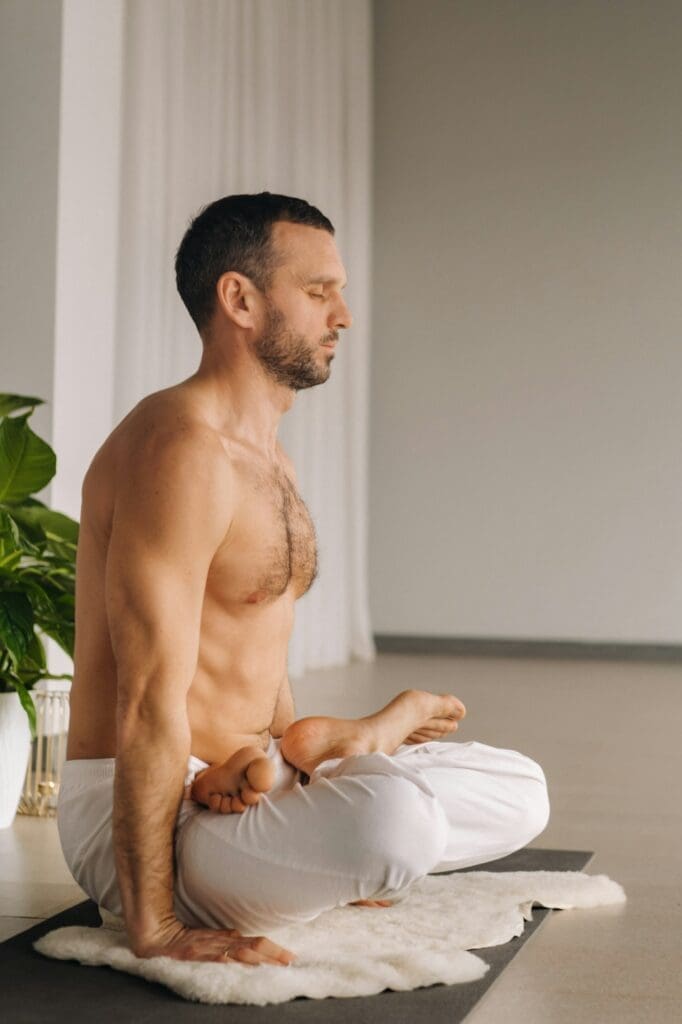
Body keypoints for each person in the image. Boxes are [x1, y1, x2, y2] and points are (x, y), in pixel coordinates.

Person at [57, 192, 550, 969]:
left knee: (521, 788)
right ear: (240, 299)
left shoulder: (269, 458)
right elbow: (147, 698)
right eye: (319, 292)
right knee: (396, 826)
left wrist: (281, 769)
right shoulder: (180, 451)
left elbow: (257, 652)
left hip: (245, 784)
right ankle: (332, 783)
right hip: (157, 810)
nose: (343, 315)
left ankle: (318, 757)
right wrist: (152, 927)